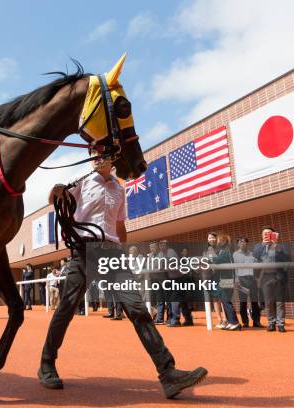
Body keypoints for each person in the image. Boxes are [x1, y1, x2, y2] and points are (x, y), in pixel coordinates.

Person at [37, 146, 207, 398]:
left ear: (112, 158)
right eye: (93, 152)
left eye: (101, 152)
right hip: (84, 252)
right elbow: (53, 199)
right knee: (66, 308)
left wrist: (122, 251)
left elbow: (119, 225)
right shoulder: (82, 182)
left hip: (112, 253)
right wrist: (57, 190)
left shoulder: (119, 188)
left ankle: (168, 373)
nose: (96, 156)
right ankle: (46, 364)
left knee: (137, 308)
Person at [253, 226, 289, 332]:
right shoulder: (258, 246)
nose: (266, 235)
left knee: (280, 302)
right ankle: (271, 323)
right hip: (265, 277)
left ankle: (281, 324)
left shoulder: (281, 246)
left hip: (278, 276)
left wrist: (274, 244)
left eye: (269, 233)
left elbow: (286, 258)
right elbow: (256, 256)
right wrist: (264, 244)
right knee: (268, 302)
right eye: (264, 233)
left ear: (273, 235)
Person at [212, 233, 240, 331]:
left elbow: (216, 261)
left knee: (226, 301)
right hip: (227, 279)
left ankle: (234, 322)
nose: (217, 242)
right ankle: (230, 321)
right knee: (225, 301)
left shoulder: (224, 253)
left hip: (226, 280)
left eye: (218, 240)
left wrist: (210, 257)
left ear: (222, 242)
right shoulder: (227, 252)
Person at [233, 237, 262, 328]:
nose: (242, 244)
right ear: (238, 244)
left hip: (252, 279)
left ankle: (256, 322)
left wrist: (257, 279)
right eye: (240, 242)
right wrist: (237, 280)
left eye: (244, 242)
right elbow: (235, 269)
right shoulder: (235, 255)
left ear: (247, 243)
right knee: (243, 302)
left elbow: (258, 266)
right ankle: (245, 322)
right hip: (241, 280)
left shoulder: (252, 254)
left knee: (254, 302)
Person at [203, 232, 225, 329]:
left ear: (216, 239)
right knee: (215, 298)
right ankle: (219, 318)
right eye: (209, 238)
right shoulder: (206, 250)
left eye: (213, 237)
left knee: (224, 298)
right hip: (211, 276)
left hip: (221, 276)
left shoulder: (220, 248)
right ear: (207, 240)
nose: (211, 239)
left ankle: (225, 318)